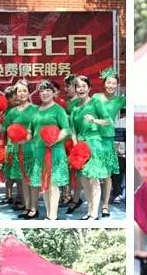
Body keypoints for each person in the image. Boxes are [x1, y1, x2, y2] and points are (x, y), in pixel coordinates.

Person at [69, 75, 111, 220]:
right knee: (84, 180)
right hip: (81, 146)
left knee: (93, 178)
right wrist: (75, 144)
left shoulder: (95, 102)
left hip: (94, 144)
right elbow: (72, 129)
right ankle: (89, 211)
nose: (81, 89)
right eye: (78, 87)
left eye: (84, 86)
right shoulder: (75, 108)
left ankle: (94, 213)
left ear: (89, 88)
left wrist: (94, 120)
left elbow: (108, 121)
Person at [0, 79, 38, 219]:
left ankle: (34, 208)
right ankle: (26, 206)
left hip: (32, 148)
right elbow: (4, 130)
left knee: (32, 179)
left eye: (24, 91)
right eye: (19, 91)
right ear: (15, 94)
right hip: (16, 149)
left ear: (29, 92)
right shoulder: (12, 112)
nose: (21, 93)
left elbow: (38, 130)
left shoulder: (35, 109)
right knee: (22, 180)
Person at [31, 80, 70, 220]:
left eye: (48, 90)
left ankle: (53, 216)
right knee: (45, 185)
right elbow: (31, 130)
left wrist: (54, 139)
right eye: (42, 91)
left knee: (53, 184)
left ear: (54, 93)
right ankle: (49, 214)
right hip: (39, 151)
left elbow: (66, 129)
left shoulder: (58, 110)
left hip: (54, 151)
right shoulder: (36, 110)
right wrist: (22, 137)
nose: (45, 93)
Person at [92, 67, 125, 217]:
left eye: (114, 83)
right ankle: (93, 205)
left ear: (117, 85)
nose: (111, 85)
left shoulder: (120, 100)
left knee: (107, 175)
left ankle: (105, 205)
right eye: (108, 82)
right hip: (94, 138)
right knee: (93, 174)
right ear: (104, 83)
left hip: (108, 139)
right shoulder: (96, 98)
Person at [0, 86, 21, 207]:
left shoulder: (23, 110)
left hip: (20, 144)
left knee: (19, 173)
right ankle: (8, 196)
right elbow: (3, 130)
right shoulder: (6, 111)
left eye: (16, 96)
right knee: (8, 172)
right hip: (8, 144)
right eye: (11, 97)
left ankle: (20, 197)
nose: (15, 99)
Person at [63, 74, 83, 214]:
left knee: (77, 170)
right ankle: (68, 196)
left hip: (76, 139)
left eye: (68, 86)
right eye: (66, 86)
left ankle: (76, 198)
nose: (66, 89)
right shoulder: (68, 102)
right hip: (66, 139)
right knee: (70, 170)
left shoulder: (80, 102)